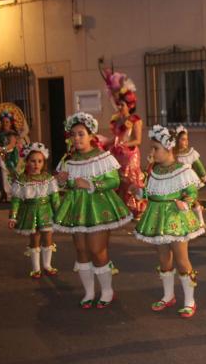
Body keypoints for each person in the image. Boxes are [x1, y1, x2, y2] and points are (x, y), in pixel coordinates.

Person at [54, 112, 132, 309]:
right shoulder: (68, 160)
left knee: (97, 250)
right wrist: (63, 181)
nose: (77, 138)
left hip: (99, 208)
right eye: (73, 134)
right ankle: (89, 292)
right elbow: (68, 184)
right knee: (81, 250)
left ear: (91, 135)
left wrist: (90, 184)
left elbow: (114, 181)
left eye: (81, 134)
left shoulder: (102, 157)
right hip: (77, 209)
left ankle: (107, 291)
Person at [133, 125, 204, 317]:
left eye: (155, 148)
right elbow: (149, 192)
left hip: (175, 220)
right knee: (164, 259)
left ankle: (189, 300)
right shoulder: (154, 170)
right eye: (152, 148)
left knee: (181, 260)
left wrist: (186, 203)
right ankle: (168, 295)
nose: (152, 152)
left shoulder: (183, 170)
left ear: (168, 148)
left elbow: (191, 191)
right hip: (157, 219)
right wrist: (138, 190)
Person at [8, 143, 61, 278]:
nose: (36, 164)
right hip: (30, 213)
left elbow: (55, 198)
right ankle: (36, 268)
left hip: (46, 212)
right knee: (35, 239)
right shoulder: (22, 180)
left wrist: (59, 213)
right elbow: (16, 200)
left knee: (48, 238)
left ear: (43, 162)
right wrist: (13, 217)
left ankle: (47, 265)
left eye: (40, 161)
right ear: (26, 162)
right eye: (33, 161)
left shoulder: (48, 179)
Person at [103, 69, 147, 220]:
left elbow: (138, 140)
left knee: (131, 182)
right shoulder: (116, 119)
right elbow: (115, 137)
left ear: (129, 105)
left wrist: (124, 144)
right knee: (118, 182)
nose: (119, 107)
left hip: (130, 155)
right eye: (118, 104)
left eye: (122, 104)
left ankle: (137, 210)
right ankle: (121, 210)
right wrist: (103, 142)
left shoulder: (135, 119)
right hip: (117, 154)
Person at [0, 103, 29, 202]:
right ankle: (4, 194)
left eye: (7, 122)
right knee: (0, 175)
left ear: (11, 123)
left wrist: (2, 150)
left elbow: (11, 145)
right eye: (3, 122)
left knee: (11, 175)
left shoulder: (12, 133)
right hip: (2, 157)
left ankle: (13, 195)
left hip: (11, 157)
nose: (5, 124)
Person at [175, 125, 206, 227]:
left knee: (193, 200)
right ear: (177, 140)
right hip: (177, 181)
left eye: (186, 140)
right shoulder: (173, 154)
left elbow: (198, 164)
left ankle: (201, 221)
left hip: (189, 180)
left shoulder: (191, 153)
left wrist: (203, 174)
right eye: (182, 140)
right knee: (180, 201)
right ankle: (184, 221)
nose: (185, 142)